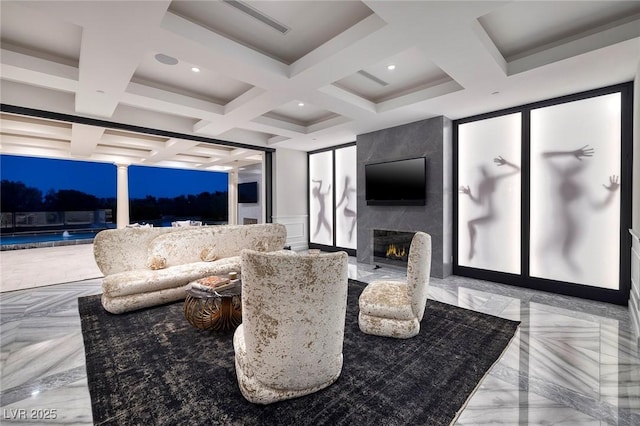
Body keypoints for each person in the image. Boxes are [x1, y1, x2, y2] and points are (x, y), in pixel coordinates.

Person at [459, 156, 520, 260]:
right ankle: (473, 249)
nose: (485, 173)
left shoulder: (493, 179)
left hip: (497, 213)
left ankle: (474, 250)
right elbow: (479, 202)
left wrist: (506, 163)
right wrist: (469, 194)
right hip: (489, 214)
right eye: (483, 171)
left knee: (473, 226)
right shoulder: (481, 185)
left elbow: (518, 170)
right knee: (470, 224)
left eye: (485, 171)